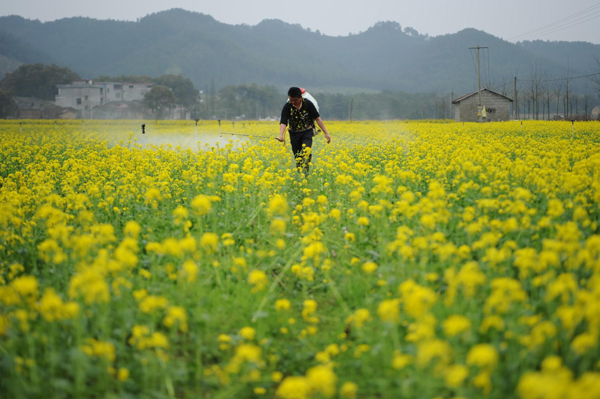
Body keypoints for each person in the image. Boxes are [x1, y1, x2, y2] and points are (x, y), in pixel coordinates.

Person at [277, 87, 331, 173]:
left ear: (300, 97)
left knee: (306, 151)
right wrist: (280, 135)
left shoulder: (308, 104)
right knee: (297, 155)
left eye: (295, 100)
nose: (293, 102)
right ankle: (299, 174)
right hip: (293, 133)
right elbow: (283, 122)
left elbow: (317, 118)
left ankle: (306, 173)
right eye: (291, 100)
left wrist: (326, 133)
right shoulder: (287, 106)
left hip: (307, 132)